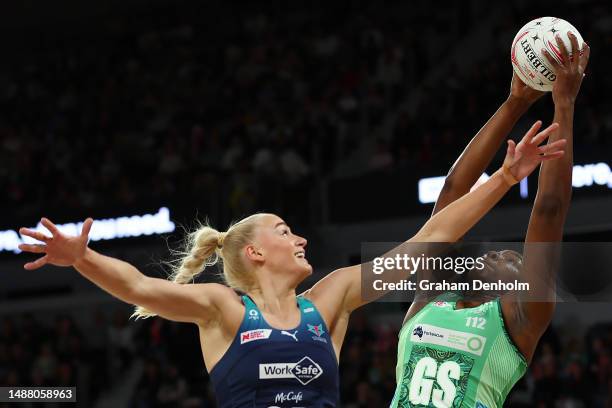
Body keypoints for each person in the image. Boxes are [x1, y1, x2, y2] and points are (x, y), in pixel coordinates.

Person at [18, 75, 565, 408]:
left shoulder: (330, 300)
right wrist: (82, 257)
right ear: (254, 253)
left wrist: (506, 177)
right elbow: (138, 284)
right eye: (284, 230)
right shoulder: (223, 310)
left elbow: (434, 234)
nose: (300, 236)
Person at [390, 33, 589, 408]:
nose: (498, 253)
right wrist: (514, 104)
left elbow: (549, 209)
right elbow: (452, 192)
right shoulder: (431, 300)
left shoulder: (520, 321)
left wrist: (564, 104)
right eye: (502, 253)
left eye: (512, 260)